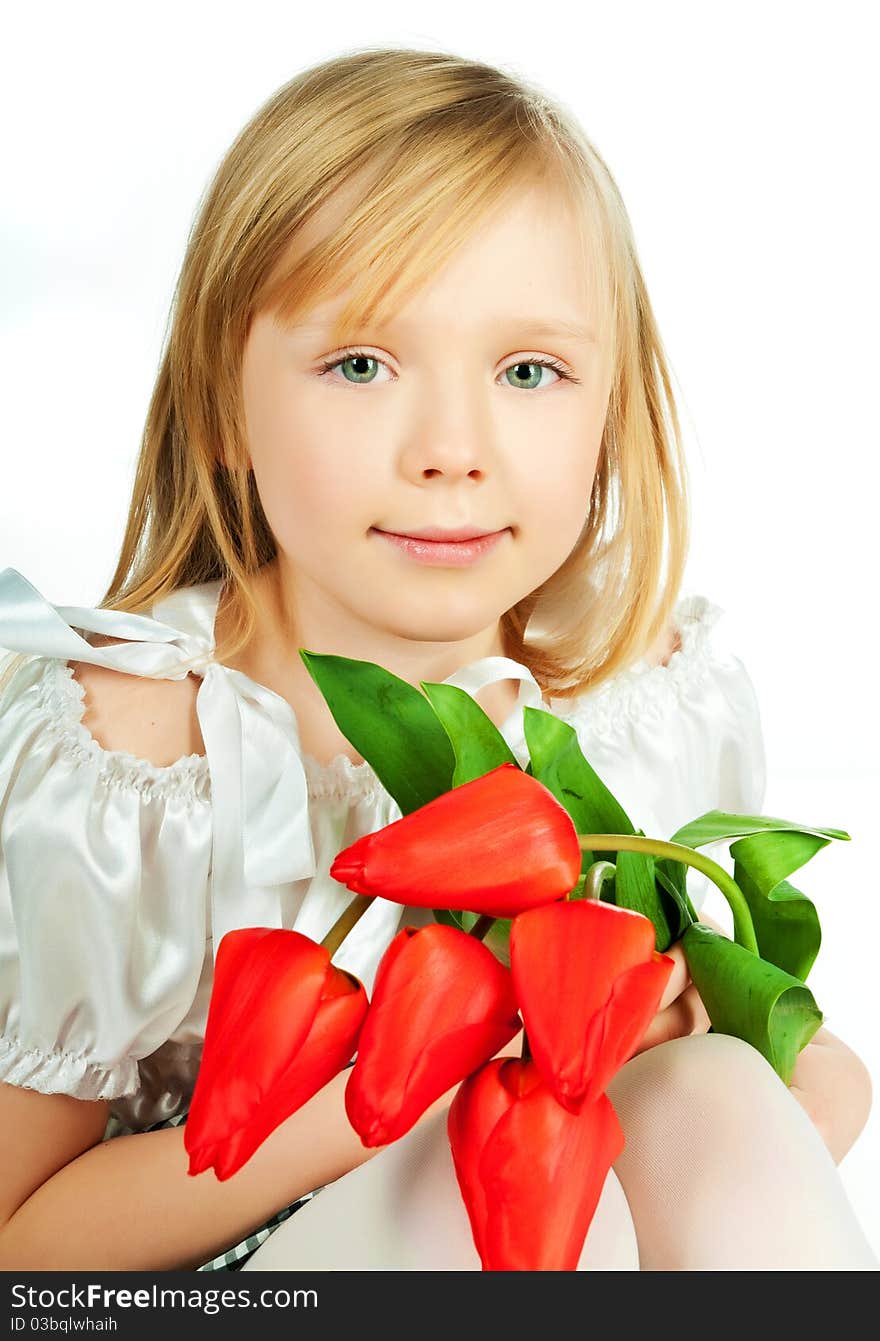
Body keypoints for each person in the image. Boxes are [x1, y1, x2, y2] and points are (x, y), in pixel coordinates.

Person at [0, 46, 875, 1273]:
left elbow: (812, 1098)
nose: (451, 448)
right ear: (221, 411)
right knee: (463, 1187)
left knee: (711, 1092)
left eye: (528, 371)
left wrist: (664, 1035)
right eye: (360, 364)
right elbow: (20, 1249)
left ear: (610, 412)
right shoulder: (133, 754)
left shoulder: (640, 703)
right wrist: (382, 1097)